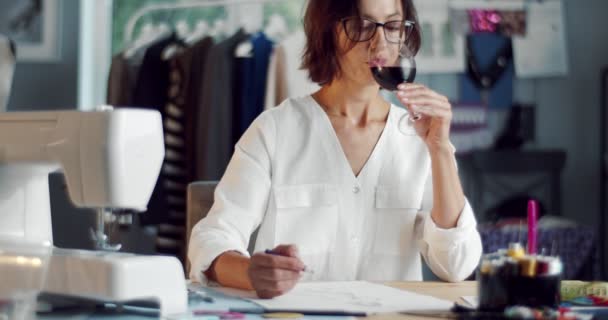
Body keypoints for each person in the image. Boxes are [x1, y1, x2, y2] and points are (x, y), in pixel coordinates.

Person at [188, 0, 482, 299]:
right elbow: (211, 239)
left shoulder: (421, 139)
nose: (379, 43)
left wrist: (441, 149)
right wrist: (250, 273)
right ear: (327, 33)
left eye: (392, 26)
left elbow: (456, 264)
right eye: (361, 26)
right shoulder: (275, 130)